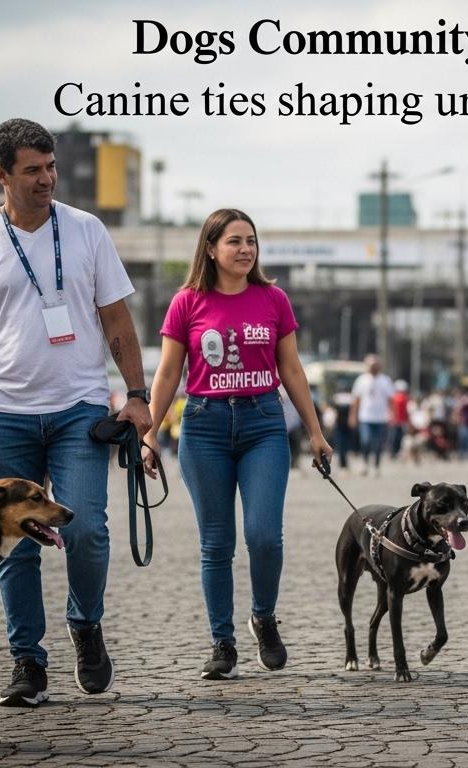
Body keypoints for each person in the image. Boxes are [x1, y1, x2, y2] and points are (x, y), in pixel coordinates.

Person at [0, 118, 152, 707]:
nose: (46, 179)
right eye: (32, 170)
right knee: (12, 546)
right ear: (1, 174)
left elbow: (117, 321)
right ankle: (27, 662)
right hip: (2, 412)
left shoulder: (86, 232)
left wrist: (137, 395)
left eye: (51, 167)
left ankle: (85, 624)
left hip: (78, 408)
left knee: (85, 530)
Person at [139, 208, 332, 680]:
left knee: (264, 535)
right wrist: (149, 434)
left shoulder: (273, 298)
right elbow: (167, 373)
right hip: (203, 427)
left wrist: (315, 430)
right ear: (210, 248)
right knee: (216, 543)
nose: (246, 249)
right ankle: (222, 643)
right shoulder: (186, 302)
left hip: (263, 423)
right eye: (234, 242)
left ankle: (263, 616)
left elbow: (291, 369)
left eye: (251, 241)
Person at [350, 353, 394, 476]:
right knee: (366, 441)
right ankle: (364, 463)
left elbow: (391, 399)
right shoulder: (361, 380)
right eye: (370, 365)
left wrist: (392, 414)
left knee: (378, 443)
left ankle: (376, 466)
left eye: (375, 365)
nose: (373, 367)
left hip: (380, 418)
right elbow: (356, 400)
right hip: (365, 417)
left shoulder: (385, 380)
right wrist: (353, 416)